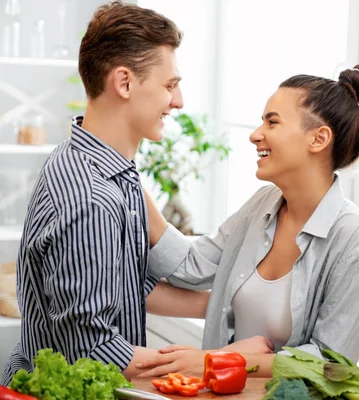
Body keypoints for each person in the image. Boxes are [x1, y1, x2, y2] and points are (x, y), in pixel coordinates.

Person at [1, 1, 270, 386]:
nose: (178, 101)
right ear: (124, 82)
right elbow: (91, 350)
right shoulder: (90, 198)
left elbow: (126, 285)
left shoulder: (113, 171)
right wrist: (220, 358)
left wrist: (224, 302)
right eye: (170, 85)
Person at [137, 63, 359, 378]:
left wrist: (216, 360)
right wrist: (130, 179)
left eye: (272, 122)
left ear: (318, 139)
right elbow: (192, 265)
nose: (255, 135)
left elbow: (330, 365)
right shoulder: (263, 205)